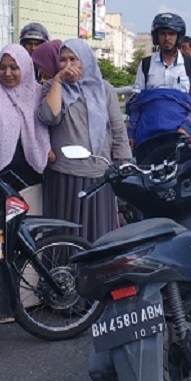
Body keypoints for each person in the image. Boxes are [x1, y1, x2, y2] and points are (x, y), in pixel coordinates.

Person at [39, 39, 131, 242]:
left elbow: (117, 127)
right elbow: (49, 116)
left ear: (86, 61)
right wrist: (57, 81)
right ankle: (60, 273)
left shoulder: (103, 89)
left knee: (96, 233)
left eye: (74, 59)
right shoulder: (52, 87)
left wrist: (123, 161)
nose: (67, 65)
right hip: (64, 172)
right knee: (64, 234)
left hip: (98, 173)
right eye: (62, 60)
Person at [0, 44, 52, 192]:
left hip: (32, 175)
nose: (7, 73)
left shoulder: (38, 94)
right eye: (2, 67)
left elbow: (51, 124)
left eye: (14, 68)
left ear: (25, 67)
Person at [128, 12, 191, 151]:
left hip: (179, 135)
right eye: (162, 33)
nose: (167, 38)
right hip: (147, 136)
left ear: (179, 37)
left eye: (171, 34)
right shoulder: (146, 64)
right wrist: (130, 133)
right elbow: (136, 103)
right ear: (156, 37)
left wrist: (186, 127)